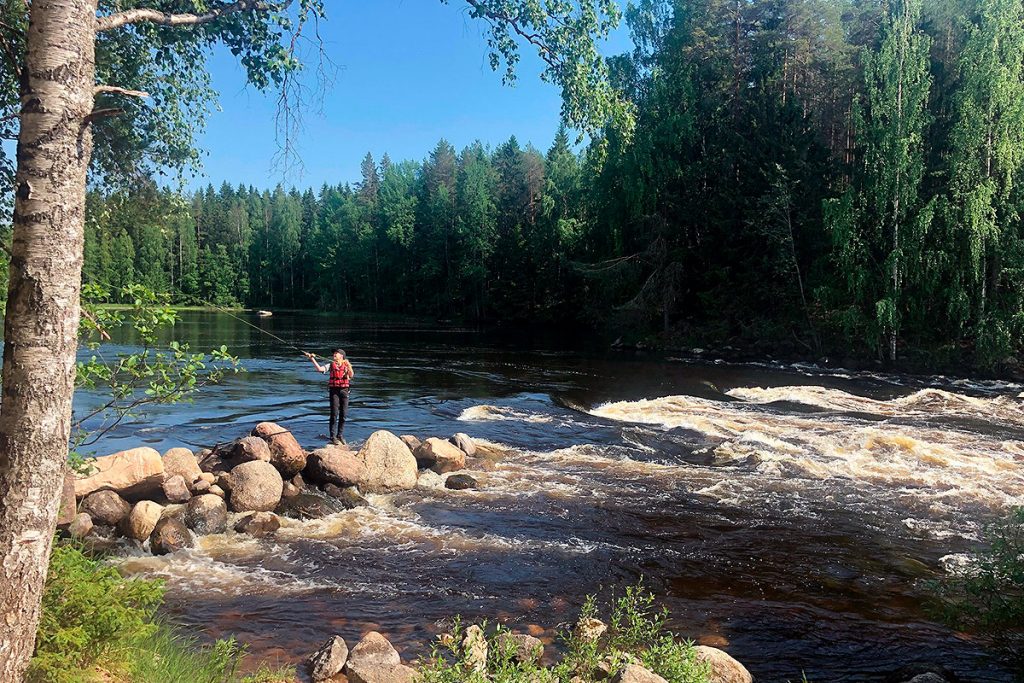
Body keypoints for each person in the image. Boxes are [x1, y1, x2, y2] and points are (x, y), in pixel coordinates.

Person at [305, 348, 354, 445]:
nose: (334, 354)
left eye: (337, 353)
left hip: (344, 391)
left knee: (343, 415)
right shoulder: (331, 365)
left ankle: (340, 435)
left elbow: (351, 376)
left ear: (342, 356)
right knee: (334, 414)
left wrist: (348, 367)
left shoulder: (346, 365)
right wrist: (312, 359)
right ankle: (333, 437)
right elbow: (319, 369)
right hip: (334, 391)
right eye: (334, 353)